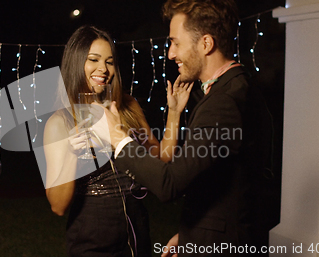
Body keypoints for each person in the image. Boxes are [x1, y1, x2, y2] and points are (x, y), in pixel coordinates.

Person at [93, 1, 277, 256]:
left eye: (176, 42)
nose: (170, 53)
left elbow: (169, 184)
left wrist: (119, 139)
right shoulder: (237, 87)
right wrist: (192, 235)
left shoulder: (223, 103)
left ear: (206, 44)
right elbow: (223, 182)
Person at [43, 25, 193, 257]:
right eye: (93, 59)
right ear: (76, 62)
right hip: (92, 236)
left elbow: (161, 159)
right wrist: (72, 155)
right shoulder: (60, 121)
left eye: (109, 61)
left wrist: (174, 114)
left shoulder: (127, 106)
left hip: (137, 229)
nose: (103, 68)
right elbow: (58, 206)